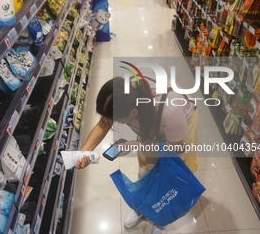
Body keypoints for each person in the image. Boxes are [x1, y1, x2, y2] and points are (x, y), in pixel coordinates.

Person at [75, 76, 199, 234]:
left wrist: (136, 144)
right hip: (151, 121)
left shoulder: (170, 110)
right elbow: (104, 123)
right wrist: (84, 151)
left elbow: (175, 148)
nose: (112, 122)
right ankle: (143, 207)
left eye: (117, 120)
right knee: (146, 169)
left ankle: (161, 218)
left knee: (171, 175)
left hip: (179, 130)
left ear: (133, 112)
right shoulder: (126, 96)